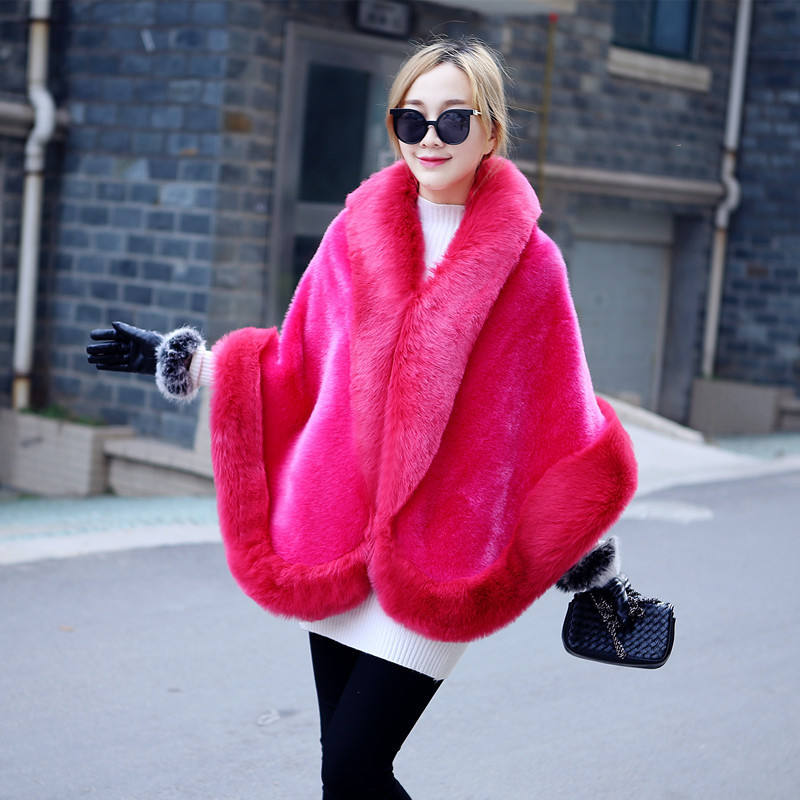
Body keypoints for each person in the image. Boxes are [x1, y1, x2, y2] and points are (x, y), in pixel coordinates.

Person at [87, 36, 637, 800]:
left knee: (354, 767)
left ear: (490, 130)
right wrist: (186, 361)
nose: (430, 139)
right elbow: (298, 365)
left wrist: (590, 566)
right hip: (337, 537)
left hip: (442, 555)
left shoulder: (531, 264)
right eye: (412, 120)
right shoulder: (353, 236)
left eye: (453, 120)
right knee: (340, 776)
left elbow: (558, 417)